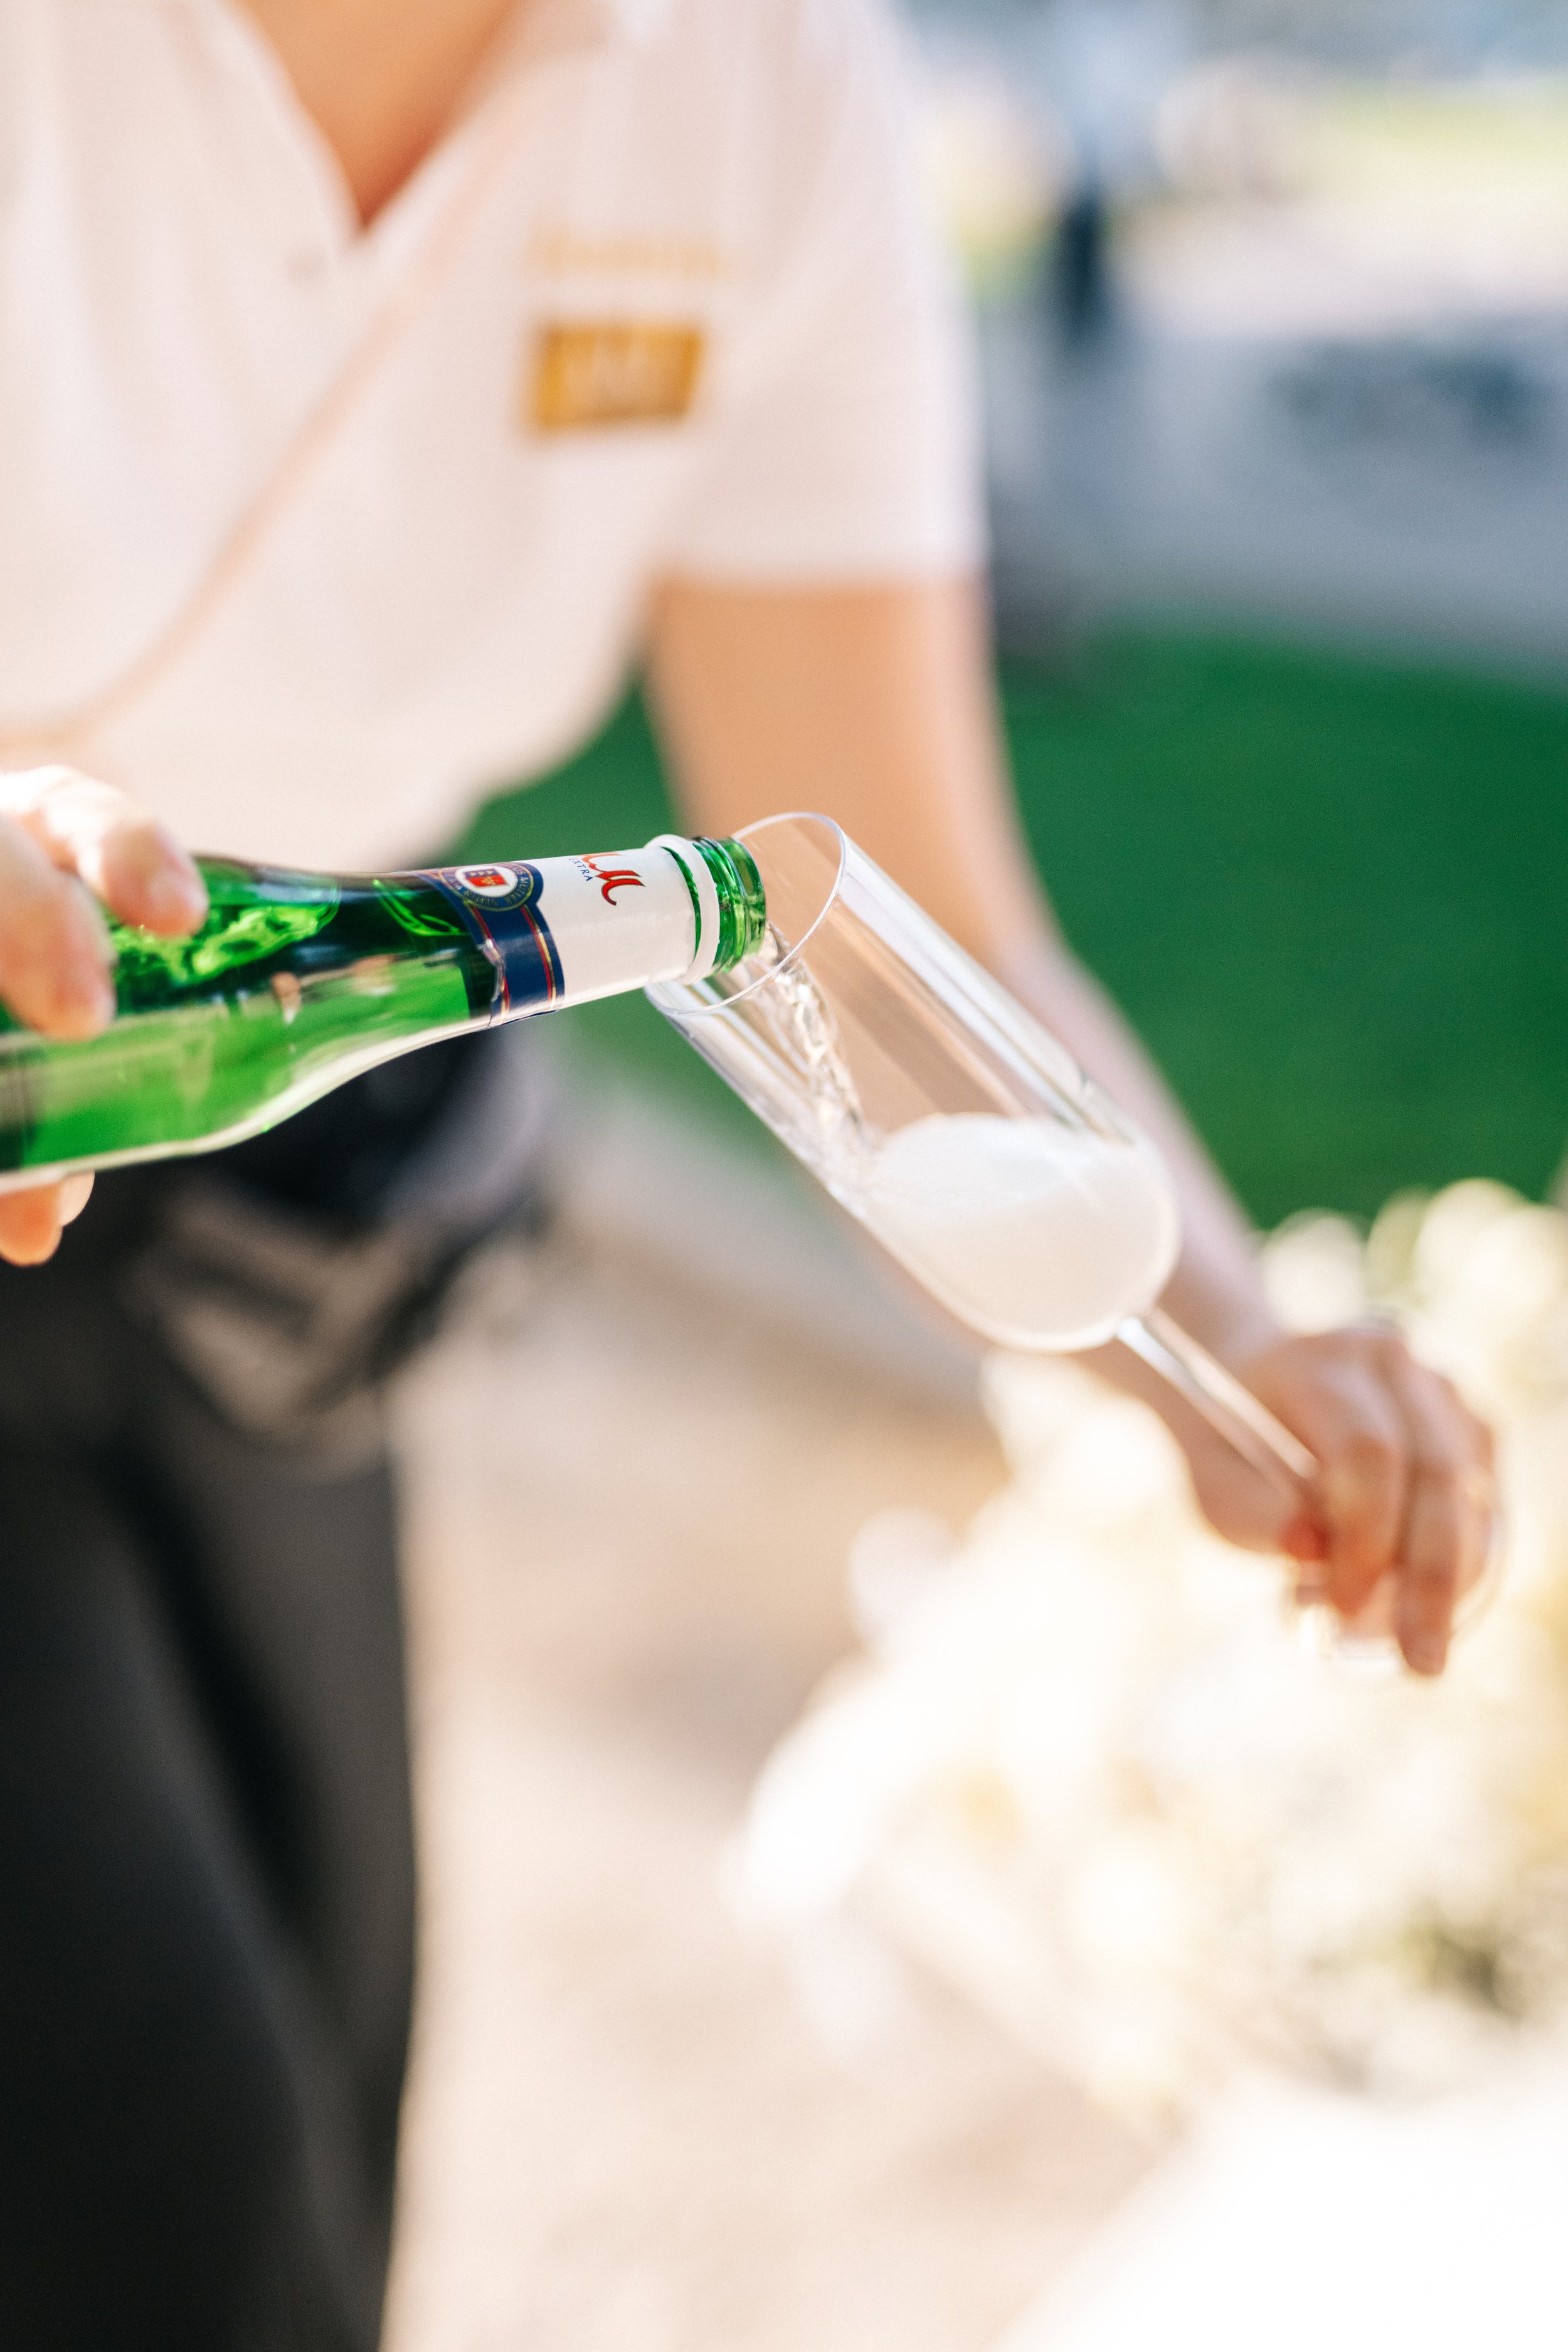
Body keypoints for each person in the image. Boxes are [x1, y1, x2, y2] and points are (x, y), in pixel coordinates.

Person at [0, 1, 1494, 2344]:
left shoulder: (763, 86)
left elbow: (904, 912)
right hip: (35, 1097)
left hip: (289, 1200)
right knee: (165, 2207)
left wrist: (1222, 1342)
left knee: (328, 2088)